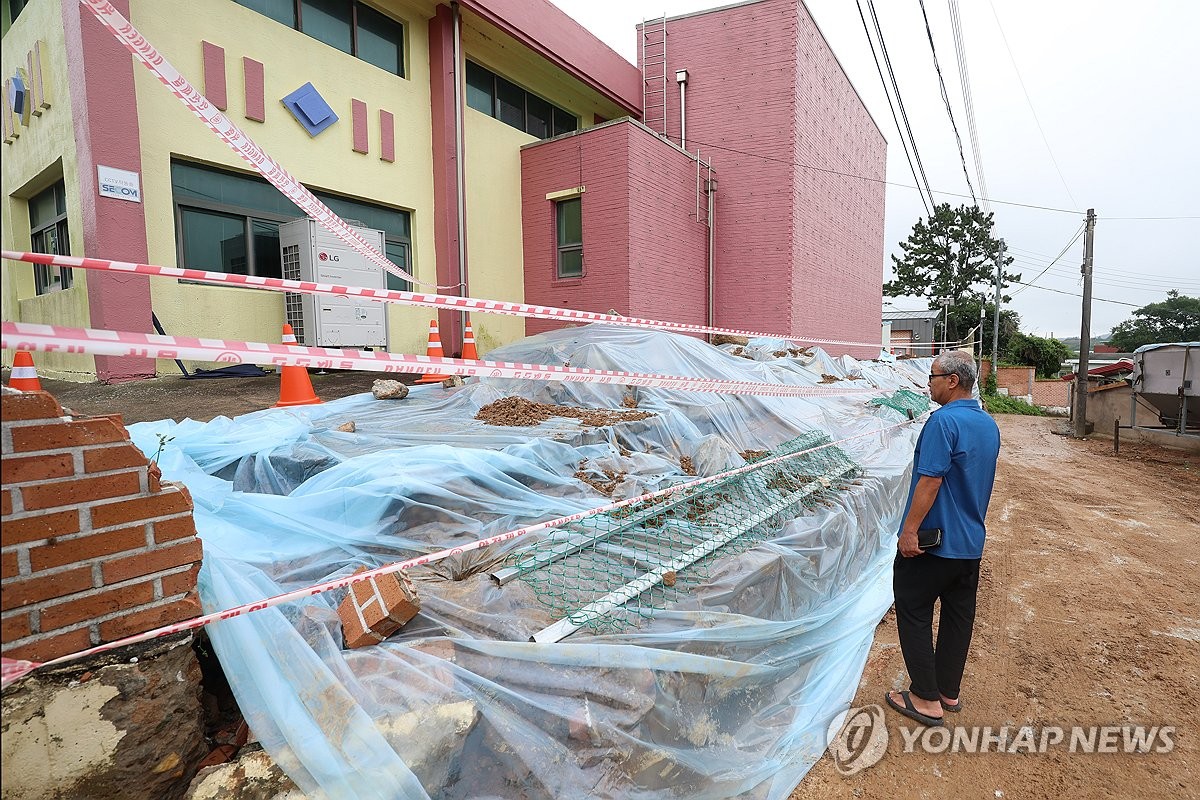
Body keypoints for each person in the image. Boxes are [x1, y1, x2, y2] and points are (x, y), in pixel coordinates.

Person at [885, 350, 1000, 727]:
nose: (927, 383)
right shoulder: (987, 424)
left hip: (934, 544)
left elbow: (930, 480)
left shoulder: (942, 422)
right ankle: (947, 691)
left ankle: (925, 697)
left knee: (913, 609)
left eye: (932, 376)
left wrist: (909, 531)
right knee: (957, 618)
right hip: (970, 545)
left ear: (953, 380)